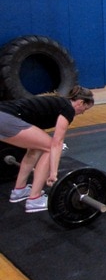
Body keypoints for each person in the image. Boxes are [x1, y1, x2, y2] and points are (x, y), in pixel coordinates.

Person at [2, 85, 95, 213]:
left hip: (4, 116)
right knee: (49, 147)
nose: (83, 112)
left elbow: (36, 137)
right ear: (80, 102)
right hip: (6, 118)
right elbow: (56, 143)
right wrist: (53, 173)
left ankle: (19, 191)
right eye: (85, 108)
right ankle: (34, 199)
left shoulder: (53, 105)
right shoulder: (68, 108)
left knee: (36, 148)